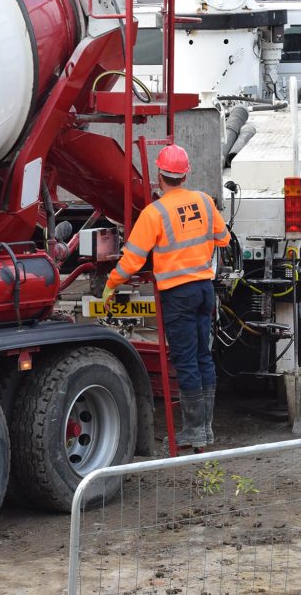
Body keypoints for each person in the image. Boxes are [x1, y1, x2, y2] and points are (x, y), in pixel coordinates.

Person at [102, 144, 230, 449]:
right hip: (204, 290)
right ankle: (206, 429)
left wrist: (111, 283)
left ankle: (195, 431)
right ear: (186, 174)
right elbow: (223, 237)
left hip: (178, 295)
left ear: (159, 175)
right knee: (203, 357)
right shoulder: (203, 201)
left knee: (185, 361)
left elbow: (133, 258)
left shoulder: (154, 213)